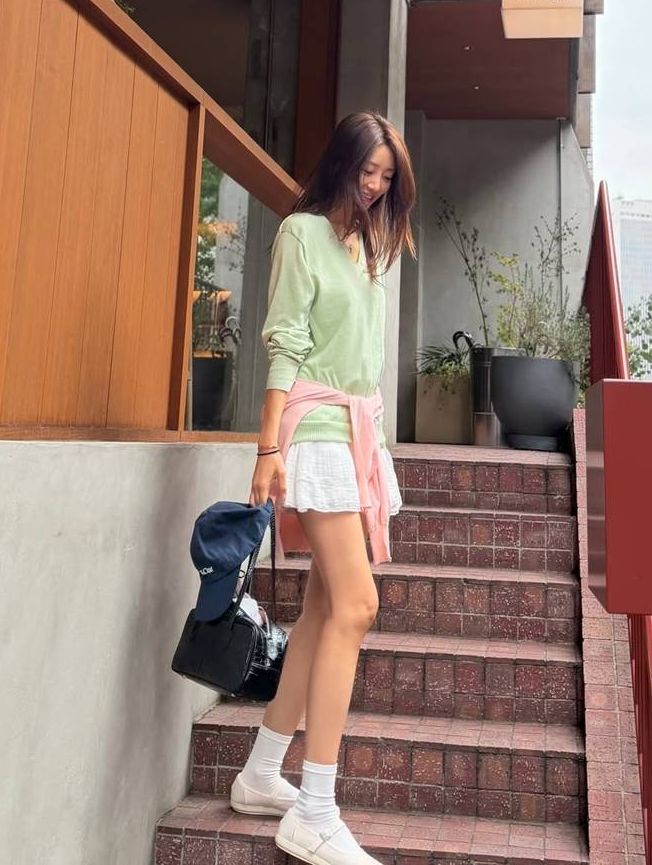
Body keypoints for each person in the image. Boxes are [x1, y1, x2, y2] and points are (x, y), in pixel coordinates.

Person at [234, 111, 416, 865]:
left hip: (355, 432)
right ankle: (313, 810)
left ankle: (260, 772)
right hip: (312, 430)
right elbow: (286, 342)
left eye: (386, 177)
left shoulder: (367, 247)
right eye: (366, 171)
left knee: (319, 611)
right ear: (341, 163)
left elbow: (364, 355)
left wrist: (374, 442)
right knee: (357, 605)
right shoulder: (301, 233)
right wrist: (267, 447)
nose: (374, 186)